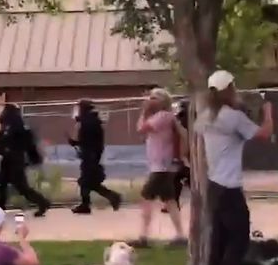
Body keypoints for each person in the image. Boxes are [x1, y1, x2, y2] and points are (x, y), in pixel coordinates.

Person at [195, 70, 275, 265]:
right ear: (228, 89)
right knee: (237, 240)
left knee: (219, 239)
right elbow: (264, 133)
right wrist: (269, 113)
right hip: (229, 187)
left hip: (213, 185)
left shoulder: (206, 115)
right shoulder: (233, 117)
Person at [129, 88, 188, 248]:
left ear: (163, 101)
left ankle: (143, 237)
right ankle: (181, 236)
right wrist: (147, 112)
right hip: (162, 165)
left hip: (161, 167)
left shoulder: (163, 116)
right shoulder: (161, 117)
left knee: (146, 198)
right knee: (169, 201)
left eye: (154, 98)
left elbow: (141, 128)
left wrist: (144, 110)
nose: (150, 100)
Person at [0, 103, 51, 217]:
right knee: (1, 184)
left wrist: (33, 157)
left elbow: (21, 143)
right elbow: (2, 144)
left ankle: (43, 202)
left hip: (16, 161)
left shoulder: (17, 127)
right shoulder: (8, 126)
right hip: (7, 160)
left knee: (21, 187)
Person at [68, 99, 122, 214]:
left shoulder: (88, 122)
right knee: (87, 181)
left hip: (90, 156)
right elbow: (87, 140)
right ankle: (90, 203)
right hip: (91, 155)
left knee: (86, 181)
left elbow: (88, 141)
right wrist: (76, 142)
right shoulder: (91, 120)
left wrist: (75, 142)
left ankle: (110, 197)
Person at [164, 98, 192, 213]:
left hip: (187, 155)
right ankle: (173, 204)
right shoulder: (182, 122)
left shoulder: (186, 123)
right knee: (178, 178)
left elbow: (185, 138)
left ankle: (173, 204)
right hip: (184, 156)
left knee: (182, 176)